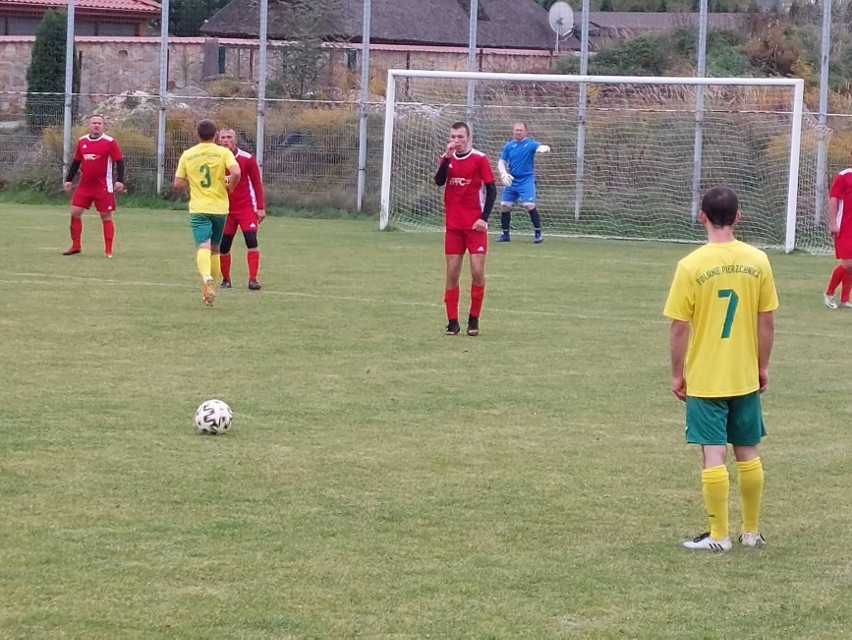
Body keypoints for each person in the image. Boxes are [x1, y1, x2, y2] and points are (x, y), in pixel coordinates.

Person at [663, 186, 778, 552]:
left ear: (702, 216)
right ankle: (751, 531)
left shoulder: (691, 265)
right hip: (744, 373)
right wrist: (762, 366)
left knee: (713, 452)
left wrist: (677, 374)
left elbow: (679, 326)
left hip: (707, 376)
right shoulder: (758, 260)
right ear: (739, 216)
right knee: (748, 449)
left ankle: (718, 537)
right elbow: (767, 321)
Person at [434, 121, 497, 337]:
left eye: (460, 137)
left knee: (477, 271)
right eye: (453, 136)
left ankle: (473, 319)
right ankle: (452, 322)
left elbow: (491, 190)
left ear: (468, 138)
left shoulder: (480, 159)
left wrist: (483, 218)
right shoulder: (446, 159)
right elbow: (439, 181)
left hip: (475, 227)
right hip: (453, 226)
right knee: (452, 273)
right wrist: (446, 159)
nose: (456, 141)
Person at [174, 119, 241, 307]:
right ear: (216, 135)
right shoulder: (223, 152)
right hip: (220, 208)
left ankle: (206, 278)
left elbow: (178, 183)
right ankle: (210, 289)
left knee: (203, 246)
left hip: (199, 208)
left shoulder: (188, 154)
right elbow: (236, 172)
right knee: (215, 249)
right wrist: (230, 186)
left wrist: (192, 181)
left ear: (197, 134)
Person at [63, 114, 125, 257]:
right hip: (84, 186)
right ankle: (76, 245)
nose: (96, 125)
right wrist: (68, 179)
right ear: (89, 125)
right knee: (75, 213)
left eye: (99, 123)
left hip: (103, 186)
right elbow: (76, 162)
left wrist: (120, 180)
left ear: (103, 126)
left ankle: (108, 250)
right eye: (94, 123)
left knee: (105, 216)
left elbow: (120, 161)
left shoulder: (109, 142)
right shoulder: (82, 141)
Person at [216, 128, 266, 291]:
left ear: (235, 139)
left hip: (246, 208)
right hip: (225, 210)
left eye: (229, 137)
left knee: (251, 240)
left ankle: (253, 279)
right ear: (218, 140)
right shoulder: (214, 159)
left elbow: (257, 184)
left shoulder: (247, 159)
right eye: (222, 137)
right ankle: (226, 280)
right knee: (224, 246)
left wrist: (260, 207)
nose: (225, 140)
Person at [495, 121, 550, 244]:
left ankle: (538, 234)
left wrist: (543, 148)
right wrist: (503, 173)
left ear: (525, 132)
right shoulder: (509, 146)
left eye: (520, 130)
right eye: (516, 130)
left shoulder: (530, 144)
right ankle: (505, 235)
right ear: (513, 131)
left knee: (528, 205)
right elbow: (501, 162)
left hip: (526, 180)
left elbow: (538, 147)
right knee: (504, 206)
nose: (518, 132)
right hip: (513, 180)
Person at [823, 151, 852, 309]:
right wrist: (832, 223)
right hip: (845, 228)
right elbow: (833, 199)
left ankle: (845, 299)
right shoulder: (843, 176)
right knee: (849, 264)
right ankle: (828, 293)